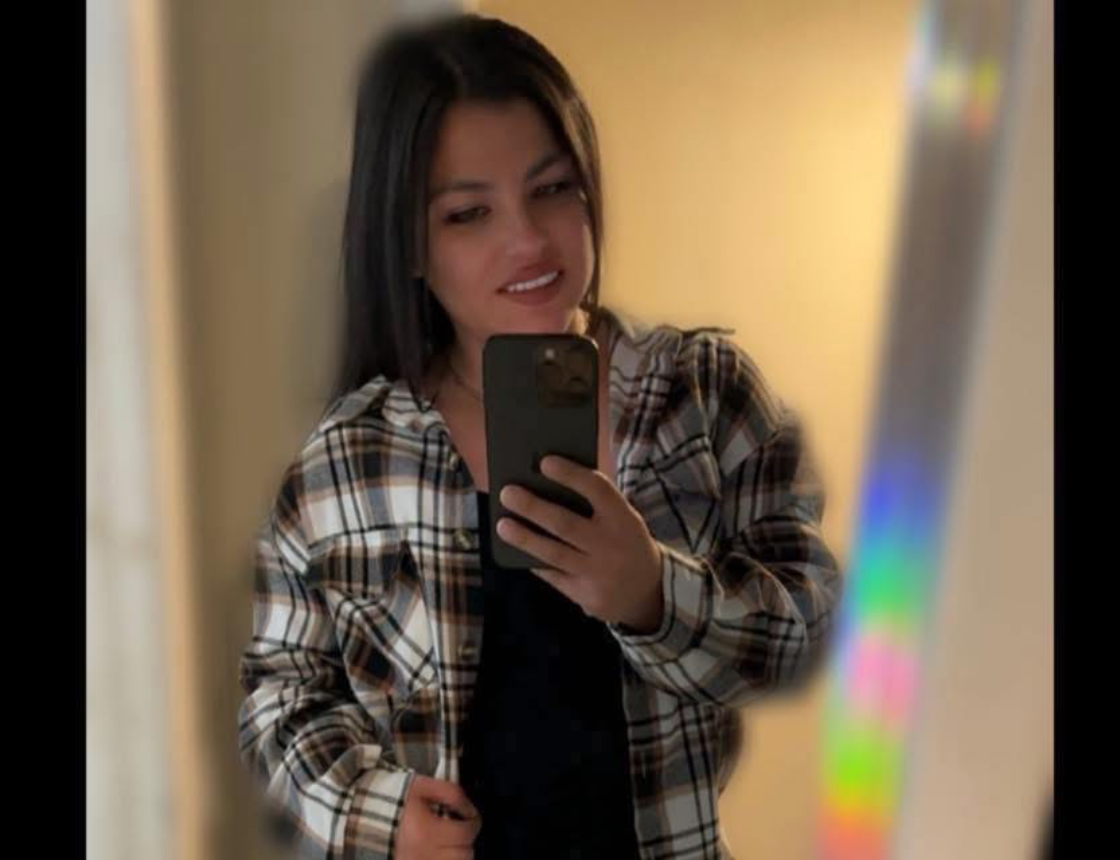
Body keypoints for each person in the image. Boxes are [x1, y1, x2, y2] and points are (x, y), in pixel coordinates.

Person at [237, 12, 842, 860]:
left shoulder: (699, 394)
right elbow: (280, 696)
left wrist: (655, 596)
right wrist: (376, 813)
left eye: (553, 189)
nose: (526, 239)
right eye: (468, 213)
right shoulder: (348, 460)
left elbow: (809, 628)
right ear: (409, 244)